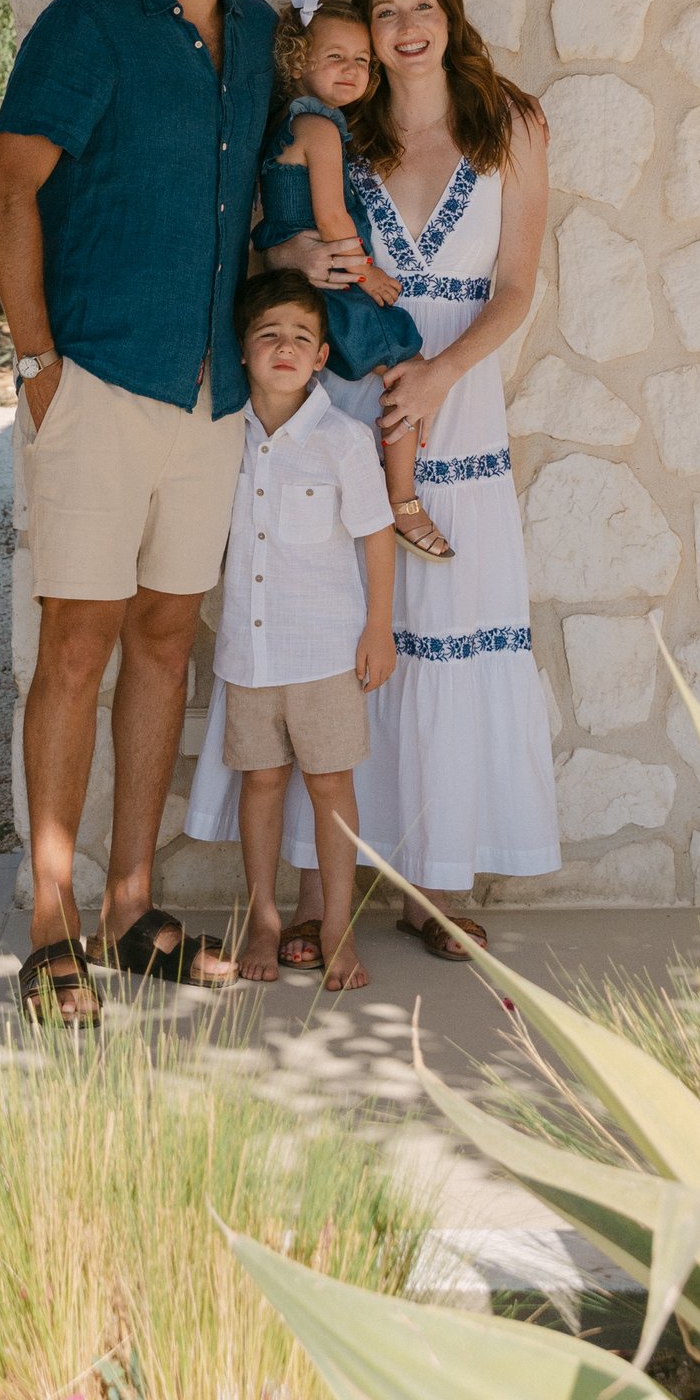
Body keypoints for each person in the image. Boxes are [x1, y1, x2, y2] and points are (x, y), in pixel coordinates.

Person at [0, 0, 278, 1021]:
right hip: (97, 379)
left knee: (165, 639)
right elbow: (8, 188)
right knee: (78, 644)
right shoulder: (88, 25)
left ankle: (129, 907)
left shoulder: (258, 36)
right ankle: (52, 918)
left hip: (210, 392)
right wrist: (38, 358)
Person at [337, 0, 559, 950]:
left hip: (457, 403)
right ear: (368, 33)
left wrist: (442, 371)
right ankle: (331, 883)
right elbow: (293, 245)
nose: (405, 24)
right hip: (356, 400)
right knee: (354, 633)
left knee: (450, 630)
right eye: (384, 12)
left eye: (420, 4)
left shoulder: (508, 123)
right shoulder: (342, 133)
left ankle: (433, 881)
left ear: (450, 14)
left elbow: (515, 285)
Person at [206, 268, 397, 992]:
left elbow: (376, 535)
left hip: (324, 651)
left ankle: (338, 928)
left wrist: (378, 629)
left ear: (322, 357)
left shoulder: (343, 440)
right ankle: (264, 918)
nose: (284, 347)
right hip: (249, 654)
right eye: (268, 336)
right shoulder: (226, 436)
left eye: (301, 338)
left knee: (330, 783)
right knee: (260, 782)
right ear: (245, 351)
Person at [259, 0, 452, 563]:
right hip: (333, 280)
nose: (352, 70)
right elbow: (331, 216)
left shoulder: (291, 122)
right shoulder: (318, 127)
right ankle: (401, 498)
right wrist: (367, 274)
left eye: (363, 60)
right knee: (406, 368)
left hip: (310, 279)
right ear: (299, 63)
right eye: (334, 57)